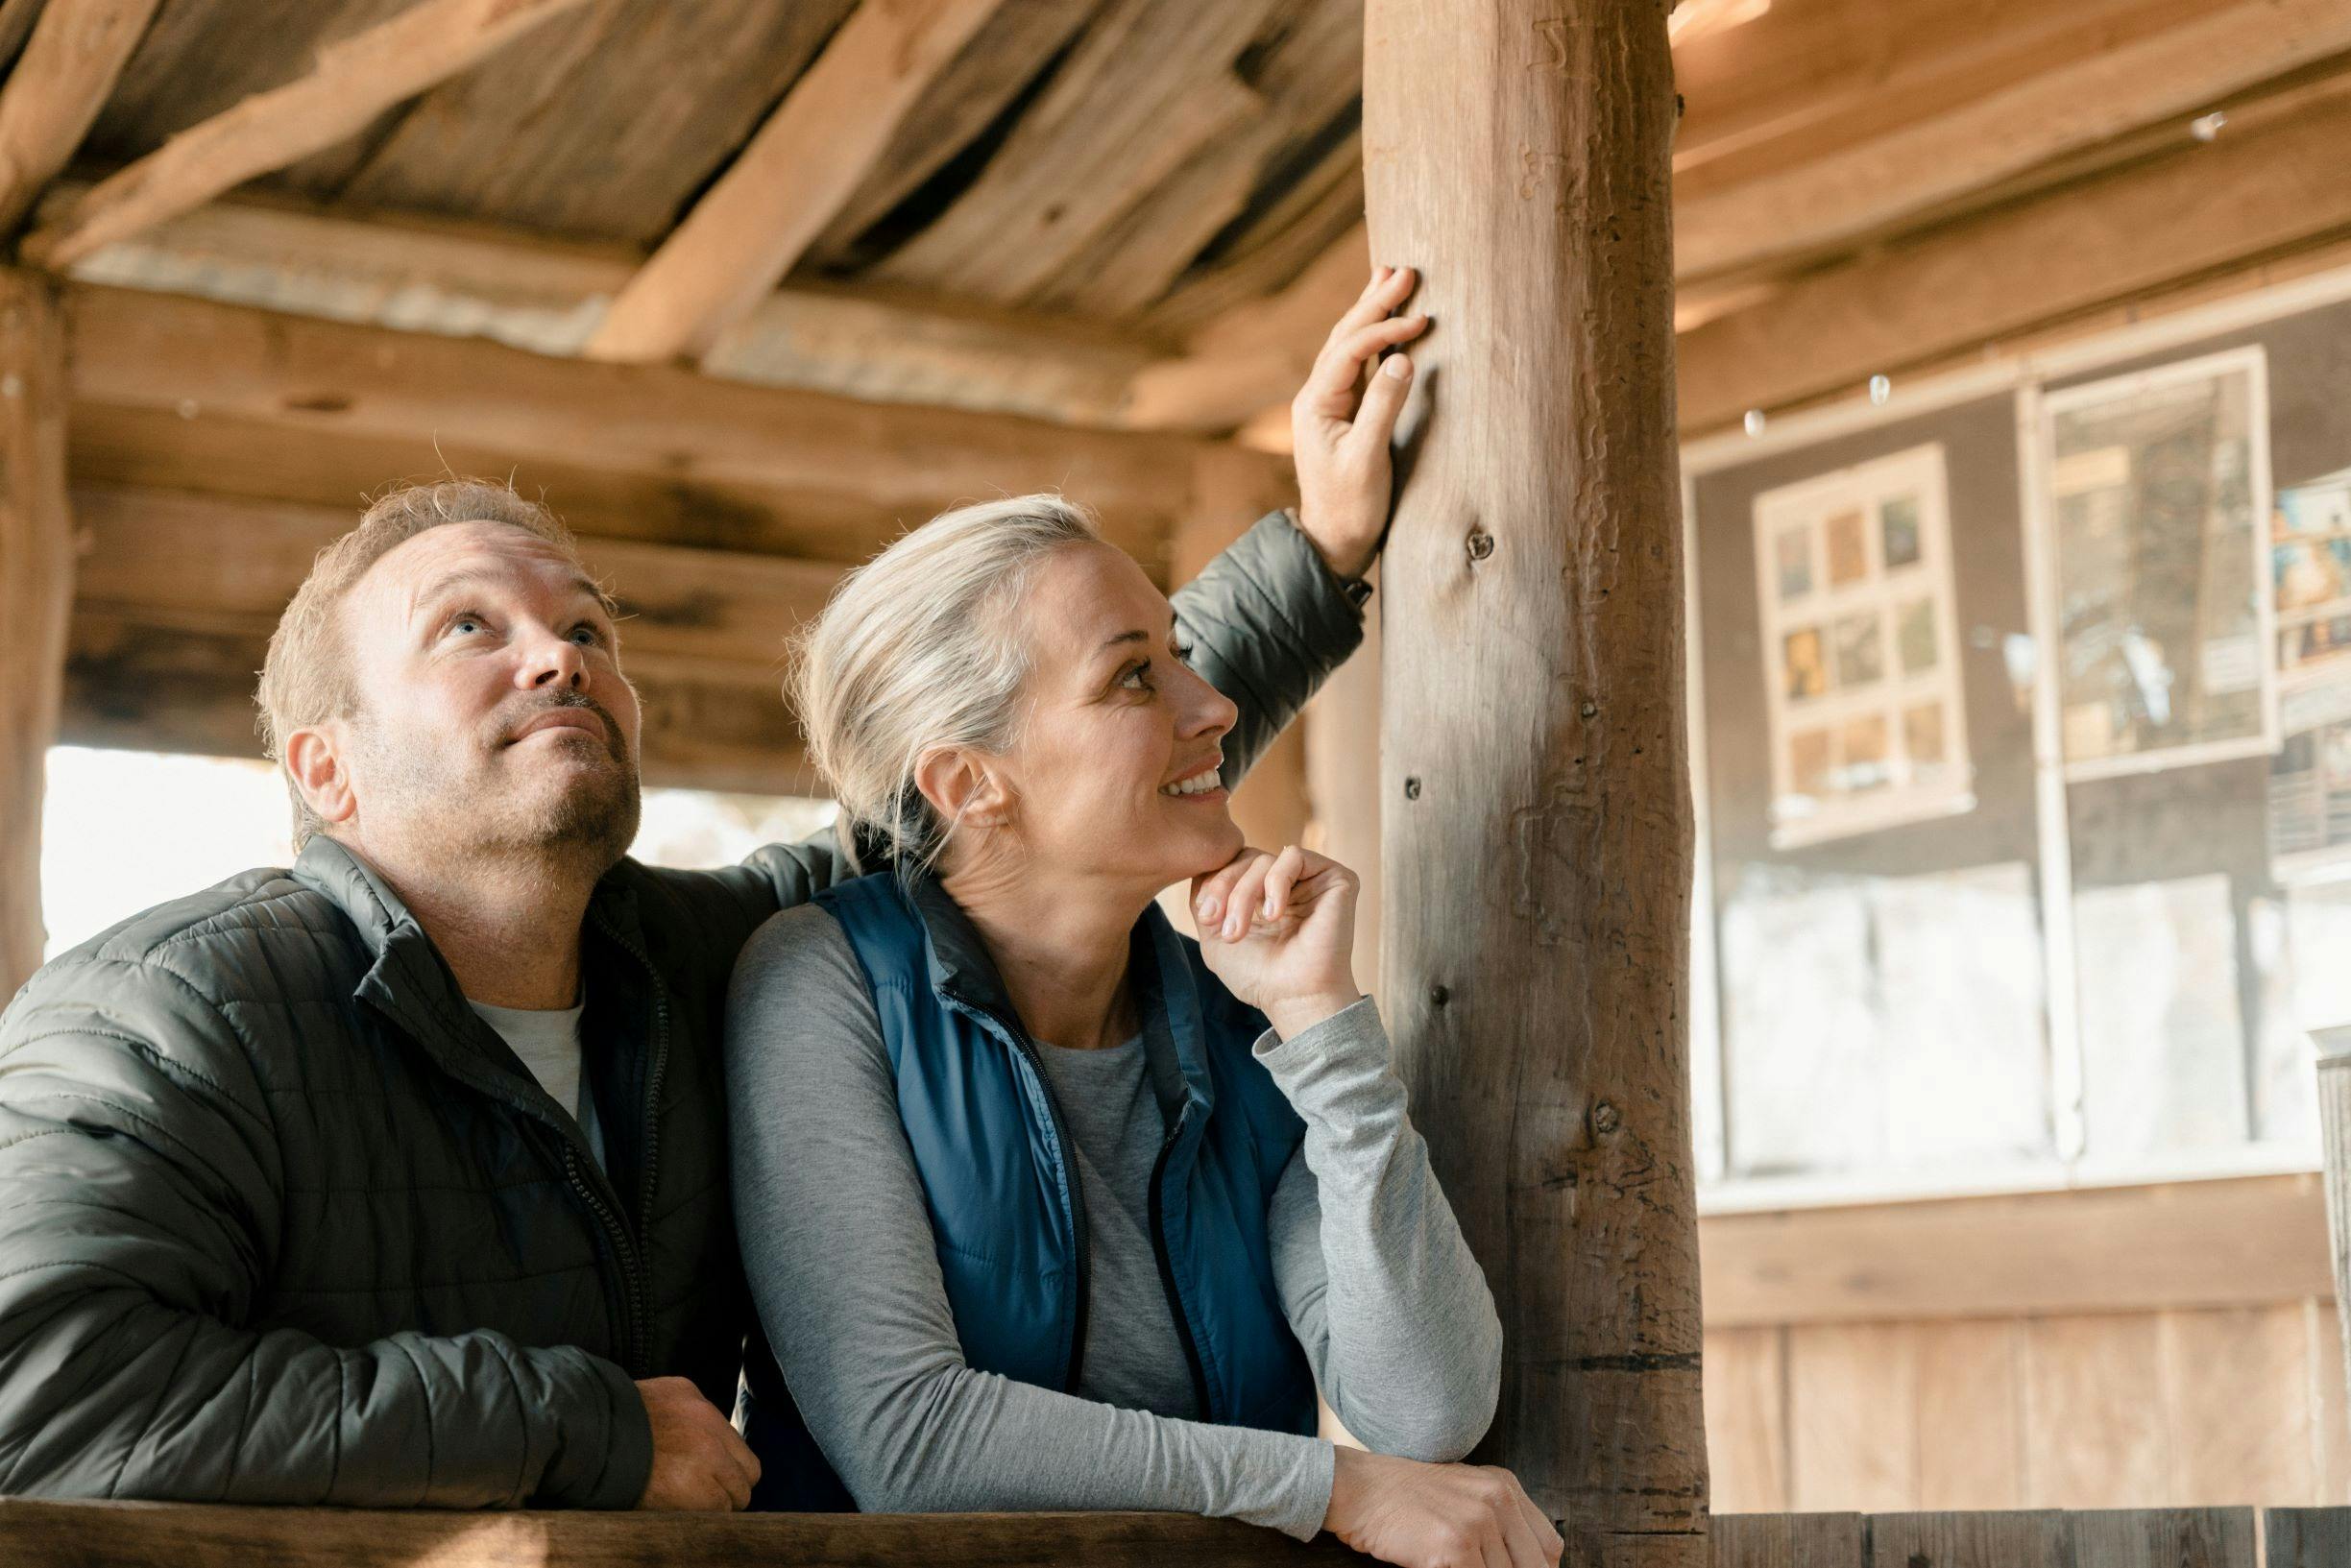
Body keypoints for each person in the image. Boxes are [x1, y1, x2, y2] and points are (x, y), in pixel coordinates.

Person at [0, 267, 1426, 1510]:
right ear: (328, 765)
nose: (557, 655)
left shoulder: (706, 957)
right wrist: (580, 1424)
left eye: (584, 624)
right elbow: (32, 1394)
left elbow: (1029, 779)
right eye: (468, 627)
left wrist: (1320, 548)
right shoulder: (169, 1012)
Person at [724, 327, 1560, 1567]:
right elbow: (909, 1435)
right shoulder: (821, 984)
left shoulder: (1224, 1027)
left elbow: (1428, 1405)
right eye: (1134, 677)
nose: (1211, 705)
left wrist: (1325, 1025)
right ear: (968, 782)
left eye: (1182, 650)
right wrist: (1327, 1484)